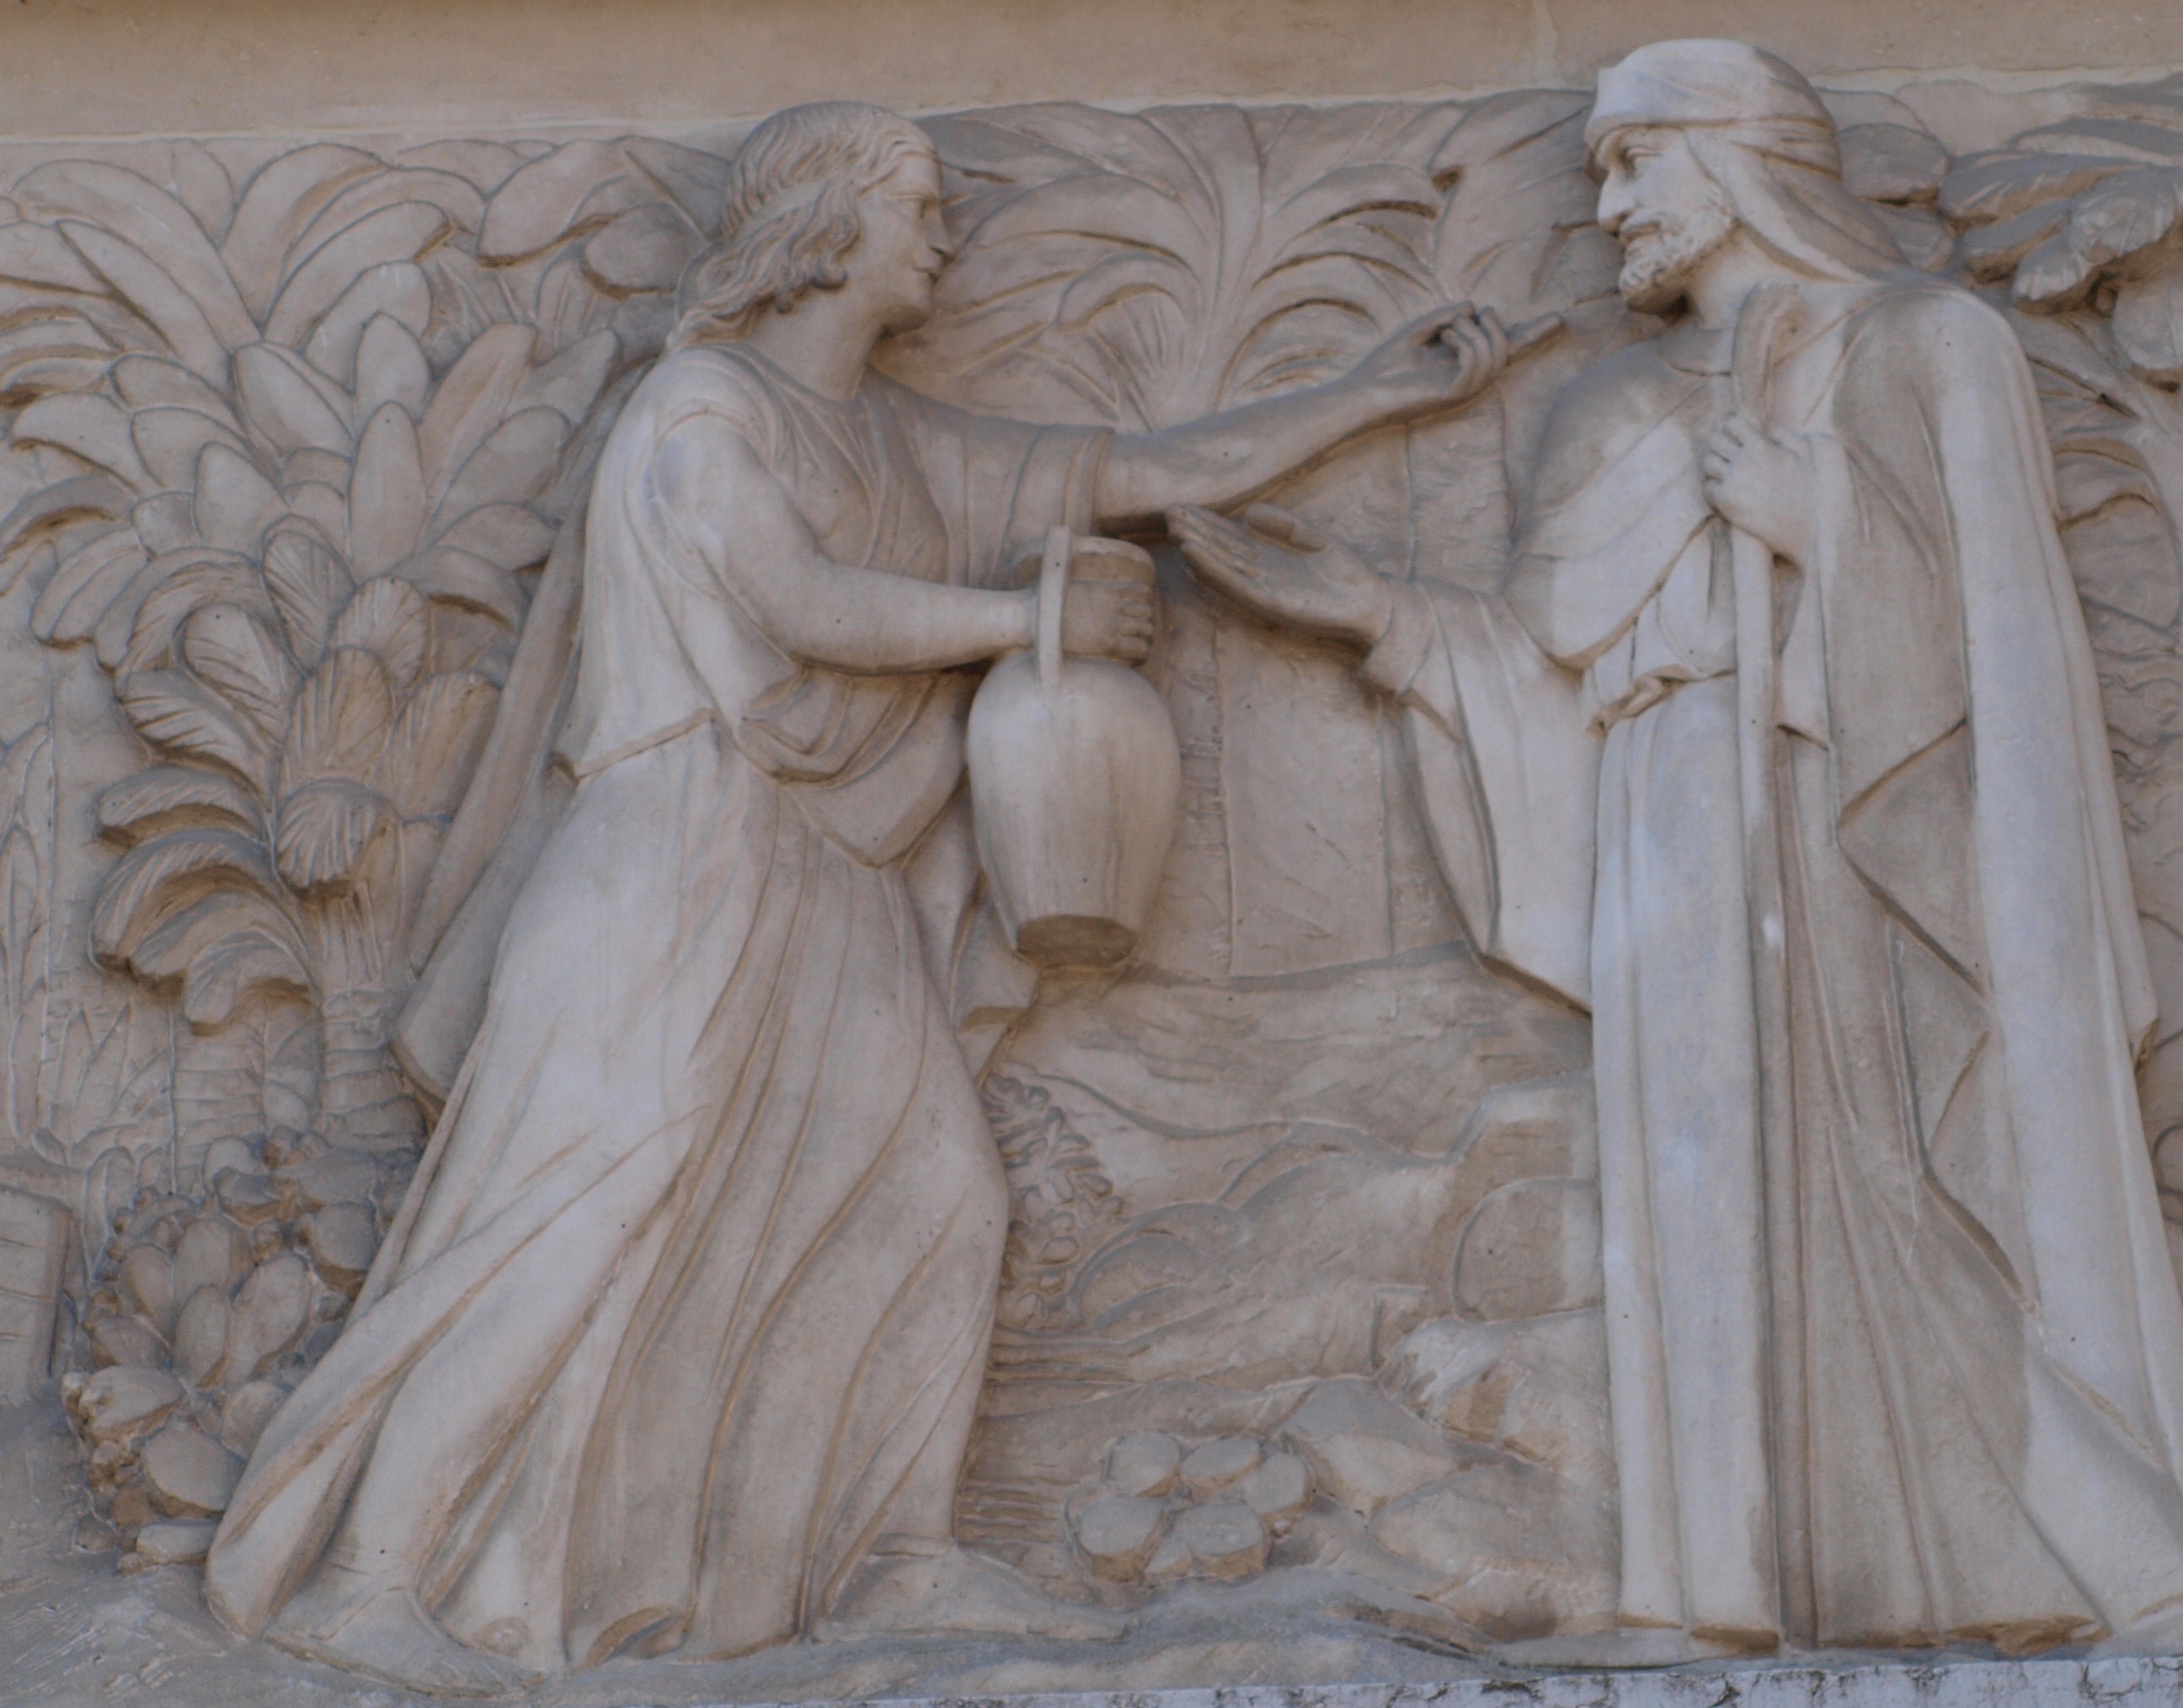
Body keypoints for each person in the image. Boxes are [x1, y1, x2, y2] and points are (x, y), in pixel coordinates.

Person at [202, 100, 1526, 1695]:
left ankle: (890, 1557)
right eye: (916, 203)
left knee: (937, 1194)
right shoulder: (701, 407)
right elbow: (799, 601)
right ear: (821, 222)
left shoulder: (905, 441)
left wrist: (1374, 391)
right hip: (673, 859)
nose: (943, 233)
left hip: (826, 880)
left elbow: (1144, 472)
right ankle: (366, 1576)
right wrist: (1024, 622)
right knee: (583, 1207)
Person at [1172, 38, 2183, 1659]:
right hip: (1675, 827)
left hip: (1885, 838)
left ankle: (2102, 1562)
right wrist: (1371, 611)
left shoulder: (1931, 343)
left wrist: (1827, 526)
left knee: (1935, 1183)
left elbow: (2016, 645)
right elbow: (1545, 676)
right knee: (1696, 1208)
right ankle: (1708, 1593)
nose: (1611, 204)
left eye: (1634, 160)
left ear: (1738, 154)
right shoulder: (1614, 404)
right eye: (1598, 170)